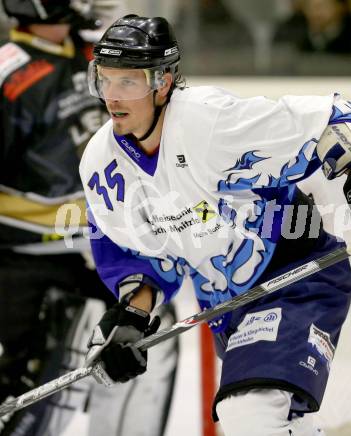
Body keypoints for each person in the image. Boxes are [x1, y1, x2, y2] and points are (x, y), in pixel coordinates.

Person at [80, 15, 351, 436]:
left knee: (248, 416)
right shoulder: (101, 164)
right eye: (104, 80)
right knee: (272, 421)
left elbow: (330, 117)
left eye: (127, 82)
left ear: (162, 81)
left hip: (295, 278)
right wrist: (130, 317)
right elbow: (138, 256)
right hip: (228, 309)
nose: (112, 97)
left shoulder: (209, 123)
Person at [0, 3, 177, 435]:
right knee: (22, 395)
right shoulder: (10, 71)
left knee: (147, 330)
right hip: (25, 259)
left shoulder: (99, 57)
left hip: (103, 250)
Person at [276, 0, 351, 55]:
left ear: (341, 7)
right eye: (310, 5)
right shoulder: (290, 33)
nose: (316, 11)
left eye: (323, 5)